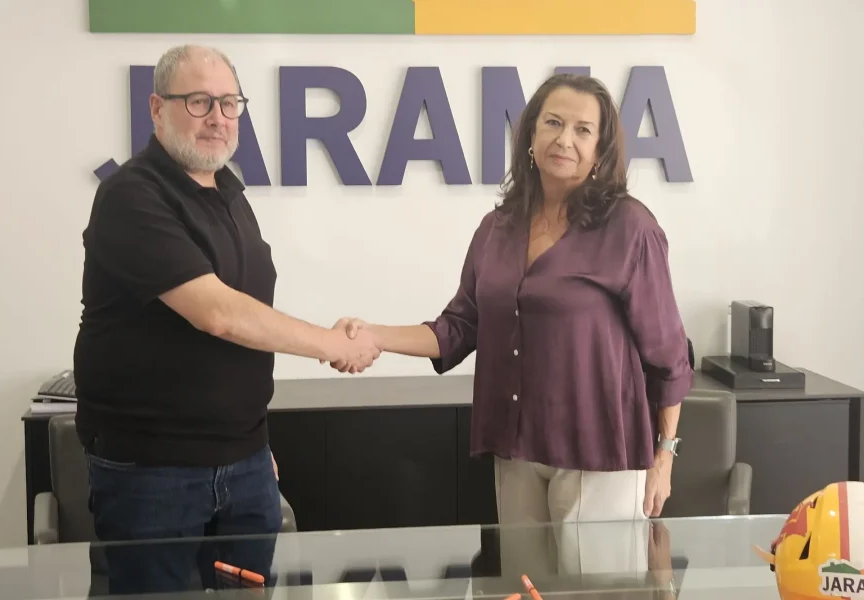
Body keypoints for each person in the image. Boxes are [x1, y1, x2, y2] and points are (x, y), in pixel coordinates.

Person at [73, 44, 380, 595]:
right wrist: (333, 344)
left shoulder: (232, 194)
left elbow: (245, 327)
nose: (217, 116)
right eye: (198, 101)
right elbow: (219, 314)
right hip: (152, 474)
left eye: (229, 102)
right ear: (156, 108)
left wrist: (254, 443)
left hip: (245, 465)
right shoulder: (131, 196)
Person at [333, 73, 692, 525]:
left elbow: (669, 358)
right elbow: (459, 328)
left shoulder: (630, 227)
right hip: (516, 448)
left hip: (600, 454)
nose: (564, 139)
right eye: (553, 123)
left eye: (583, 130)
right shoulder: (496, 227)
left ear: (601, 149)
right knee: (522, 590)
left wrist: (665, 456)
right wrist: (374, 336)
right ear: (530, 136)